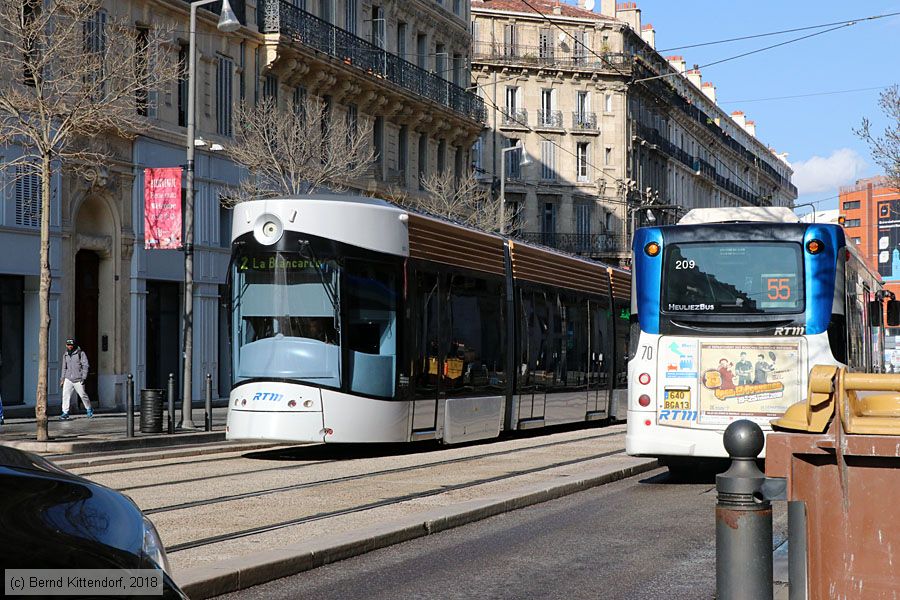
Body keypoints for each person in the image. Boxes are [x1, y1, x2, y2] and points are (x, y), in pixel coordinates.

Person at [60, 338, 92, 420]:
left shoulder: (80, 353)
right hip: (68, 378)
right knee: (65, 395)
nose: (70, 346)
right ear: (66, 345)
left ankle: (88, 408)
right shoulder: (65, 355)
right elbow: (64, 367)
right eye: (68, 345)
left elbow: (85, 365)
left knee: (82, 395)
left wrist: (84, 377)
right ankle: (65, 412)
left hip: (78, 378)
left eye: (71, 345)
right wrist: (62, 379)